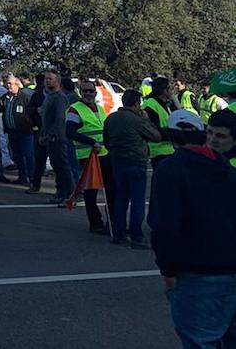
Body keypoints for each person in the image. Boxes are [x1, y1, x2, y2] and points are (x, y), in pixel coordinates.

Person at [148, 108, 236, 348]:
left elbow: (165, 224)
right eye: (210, 133)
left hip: (200, 273)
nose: (213, 140)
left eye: (221, 136)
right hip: (220, 269)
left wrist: (167, 270)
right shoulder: (226, 172)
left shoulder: (172, 170)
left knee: (201, 339)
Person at [103, 88, 162, 248]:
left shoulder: (111, 119)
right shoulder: (137, 120)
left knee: (121, 199)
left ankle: (118, 233)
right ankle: (137, 236)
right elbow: (156, 136)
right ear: (136, 103)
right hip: (136, 162)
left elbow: (106, 141)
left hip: (117, 162)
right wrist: (146, 119)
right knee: (137, 201)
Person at [66, 78, 112, 235]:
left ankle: (112, 222)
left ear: (95, 92)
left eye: (90, 91)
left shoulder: (99, 108)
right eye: (84, 90)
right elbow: (69, 132)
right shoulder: (75, 109)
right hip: (88, 155)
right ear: (80, 92)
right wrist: (91, 142)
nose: (87, 93)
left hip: (104, 153)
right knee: (91, 191)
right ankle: (96, 223)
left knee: (110, 189)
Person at [39, 69, 74, 203]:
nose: (47, 81)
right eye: (46, 79)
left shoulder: (60, 97)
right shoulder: (49, 97)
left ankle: (69, 194)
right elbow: (45, 118)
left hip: (58, 138)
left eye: (50, 79)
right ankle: (60, 192)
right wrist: (43, 134)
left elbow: (60, 119)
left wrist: (51, 134)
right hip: (50, 138)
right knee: (57, 167)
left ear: (57, 81)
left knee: (63, 166)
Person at [2, 74, 36, 187]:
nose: (9, 86)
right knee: (17, 155)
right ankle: (22, 176)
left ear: (17, 84)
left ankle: (32, 178)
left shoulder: (25, 97)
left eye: (11, 84)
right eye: (7, 83)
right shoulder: (5, 97)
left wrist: (32, 125)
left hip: (25, 132)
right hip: (12, 132)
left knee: (28, 155)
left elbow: (33, 113)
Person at [144, 76, 179, 169]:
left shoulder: (166, 103)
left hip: (169, 149)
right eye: (169, 88)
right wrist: (173, 133)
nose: (171, 91)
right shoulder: (150, 105)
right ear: (164, 90)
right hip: (159, 152)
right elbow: (153, 130)